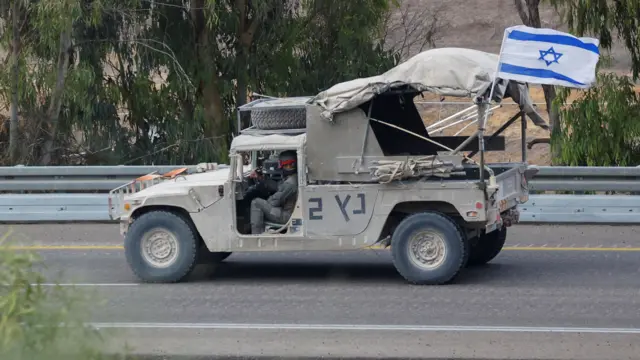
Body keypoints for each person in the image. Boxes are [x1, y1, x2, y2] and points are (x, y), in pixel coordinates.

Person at [250, 150, 298, 234]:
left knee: (256, 203)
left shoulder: (290, 183)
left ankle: (256, 237)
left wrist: (265, 203)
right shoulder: (293, 178)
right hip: (290, 213)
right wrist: (262, 178)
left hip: (287, 216)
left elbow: (274, 202)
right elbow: (278, 186)